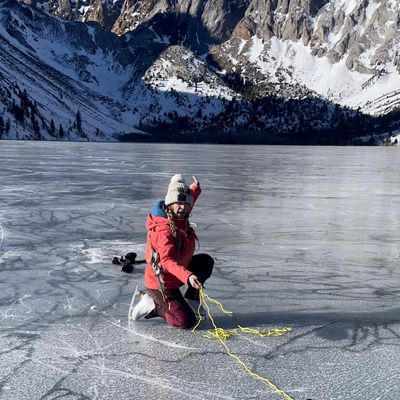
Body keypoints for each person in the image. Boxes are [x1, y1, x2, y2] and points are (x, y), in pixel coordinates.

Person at [130, 174, 214, 329]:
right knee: (185, 321)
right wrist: (188, 276)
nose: (183, 207)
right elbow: (167, 262)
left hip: (177, 274)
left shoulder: (181, 214)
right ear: (170, 204)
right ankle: (152, 305)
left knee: (205, 262)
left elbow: (188, 199)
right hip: (162, 283)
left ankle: (192, 299)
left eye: (186, 204)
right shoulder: (163, 231)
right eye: (178, 203)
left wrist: (195, 189)